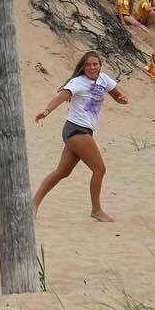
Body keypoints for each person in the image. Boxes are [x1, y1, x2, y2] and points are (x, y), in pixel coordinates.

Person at [32, 51, 127, 223]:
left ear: (100, 65)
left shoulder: (104, 79)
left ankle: (33, 204)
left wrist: (122, 99)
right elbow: (61, 98)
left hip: (83, 131)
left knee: (62, 172)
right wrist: (46, 111)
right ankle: (96, 210)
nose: (92, 67)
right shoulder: (77, 82)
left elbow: (117, 96)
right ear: (83, 67)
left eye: (95, 64)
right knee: (100, 169)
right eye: (88, 64)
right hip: (76, 129)